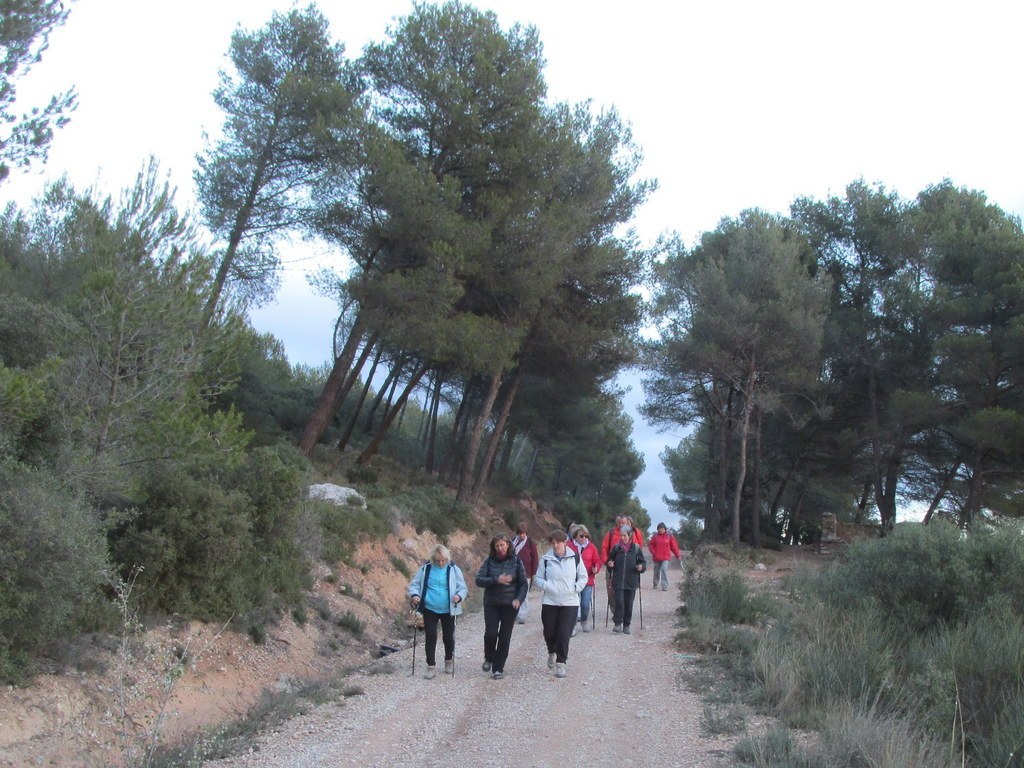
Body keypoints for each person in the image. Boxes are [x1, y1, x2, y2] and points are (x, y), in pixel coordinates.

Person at [407, 544, 469, 679]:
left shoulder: (453, 569)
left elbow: (462, 588)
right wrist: (415, 595)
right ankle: (431, 666)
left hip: (449, 609)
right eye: (437, 560)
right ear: (433, 559)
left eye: (443, 560)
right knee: (430, 636)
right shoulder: (426, 569)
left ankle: (448, 661)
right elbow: (414, 585)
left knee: (448, 637)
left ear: (447, 558)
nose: (440, 563)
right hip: (430, 608)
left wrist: (459, 596)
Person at [475, 532, 528, 679]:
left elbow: (524, 584)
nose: (500, 548)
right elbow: (479, 580)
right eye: (497, 545)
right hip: (491, 603)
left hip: (510, 605)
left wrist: (519, 599)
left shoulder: (517, 562)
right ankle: (488, 657)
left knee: (505, 636)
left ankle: (498, 668)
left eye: (502, 545)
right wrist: (496, 580)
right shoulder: (489, 561)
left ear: (508, 545)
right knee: (491, 633)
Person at [535, 530, 587, 678]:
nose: (556, 545)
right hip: (550, 601)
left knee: (564, 633)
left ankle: (561, 663)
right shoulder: (546, 559)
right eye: (553, 543)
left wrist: (575, 588)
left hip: (570, 601)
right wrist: (548, 586)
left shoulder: (575, 558)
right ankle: (551, 651)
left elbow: (583, 576)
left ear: (565, 542)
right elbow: (538, 578)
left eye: (558, 542)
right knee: (549, 632)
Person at [600, 515, 644, 617]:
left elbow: (639, 546)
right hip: (612, 565)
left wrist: (638, 563)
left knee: (627, 589)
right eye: (619, 523)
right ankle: (615, 611)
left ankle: (623, 612)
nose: (621, 525)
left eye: (623, 523)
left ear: (627, 522)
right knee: (611, 589)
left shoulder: (633, 532)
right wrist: (607, 562)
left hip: (628, 566)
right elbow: (604, 547)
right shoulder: (611, 533)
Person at [607, 524, 646, 634]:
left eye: (624, 535)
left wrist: (641, 567)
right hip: (618, 580)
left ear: (629, 535)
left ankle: (626, 625)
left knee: (629, 604)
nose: (622, 538)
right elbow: (609, 562)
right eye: (621, 535)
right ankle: (618, 624)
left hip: (631, 581)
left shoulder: (636, 548)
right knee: (619, 602)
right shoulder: (616, 548)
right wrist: (610, 564)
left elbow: (642, 562)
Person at [568, 525, 601, 632]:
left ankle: (584, 621)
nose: (584, 538)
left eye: (586, 536)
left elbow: (597, 560)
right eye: (581, 536)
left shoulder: (591, 547)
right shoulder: (569, 546)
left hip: (587, 579)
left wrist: (596, 567)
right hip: (572, 580)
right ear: (575, 536)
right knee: (573, 604)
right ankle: (572, 626)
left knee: (585, 603)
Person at [511, 522, 539, 625]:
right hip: (513, 572)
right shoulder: (513, 542)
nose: (522, 535)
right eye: (520, 533)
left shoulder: (530, 543)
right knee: (514, 592)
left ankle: (523, 614)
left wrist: (533, 573)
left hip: (526, 572)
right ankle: (516, 613)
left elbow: (535, 558)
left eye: (523, 533)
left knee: (524, 593)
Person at [648, 522, 682, 590]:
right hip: (656, 557)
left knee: (664, 569)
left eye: (663, 529)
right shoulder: (655, 536)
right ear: (658, 529)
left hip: (665, 557)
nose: (661, 530)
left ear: (665, 529)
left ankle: (664, 585)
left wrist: (677, 555)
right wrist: (653, 552)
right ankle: (655, 583)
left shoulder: (669, 536)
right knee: (656, 571)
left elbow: (674, 546)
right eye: (660, 529)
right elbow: (651, 545)